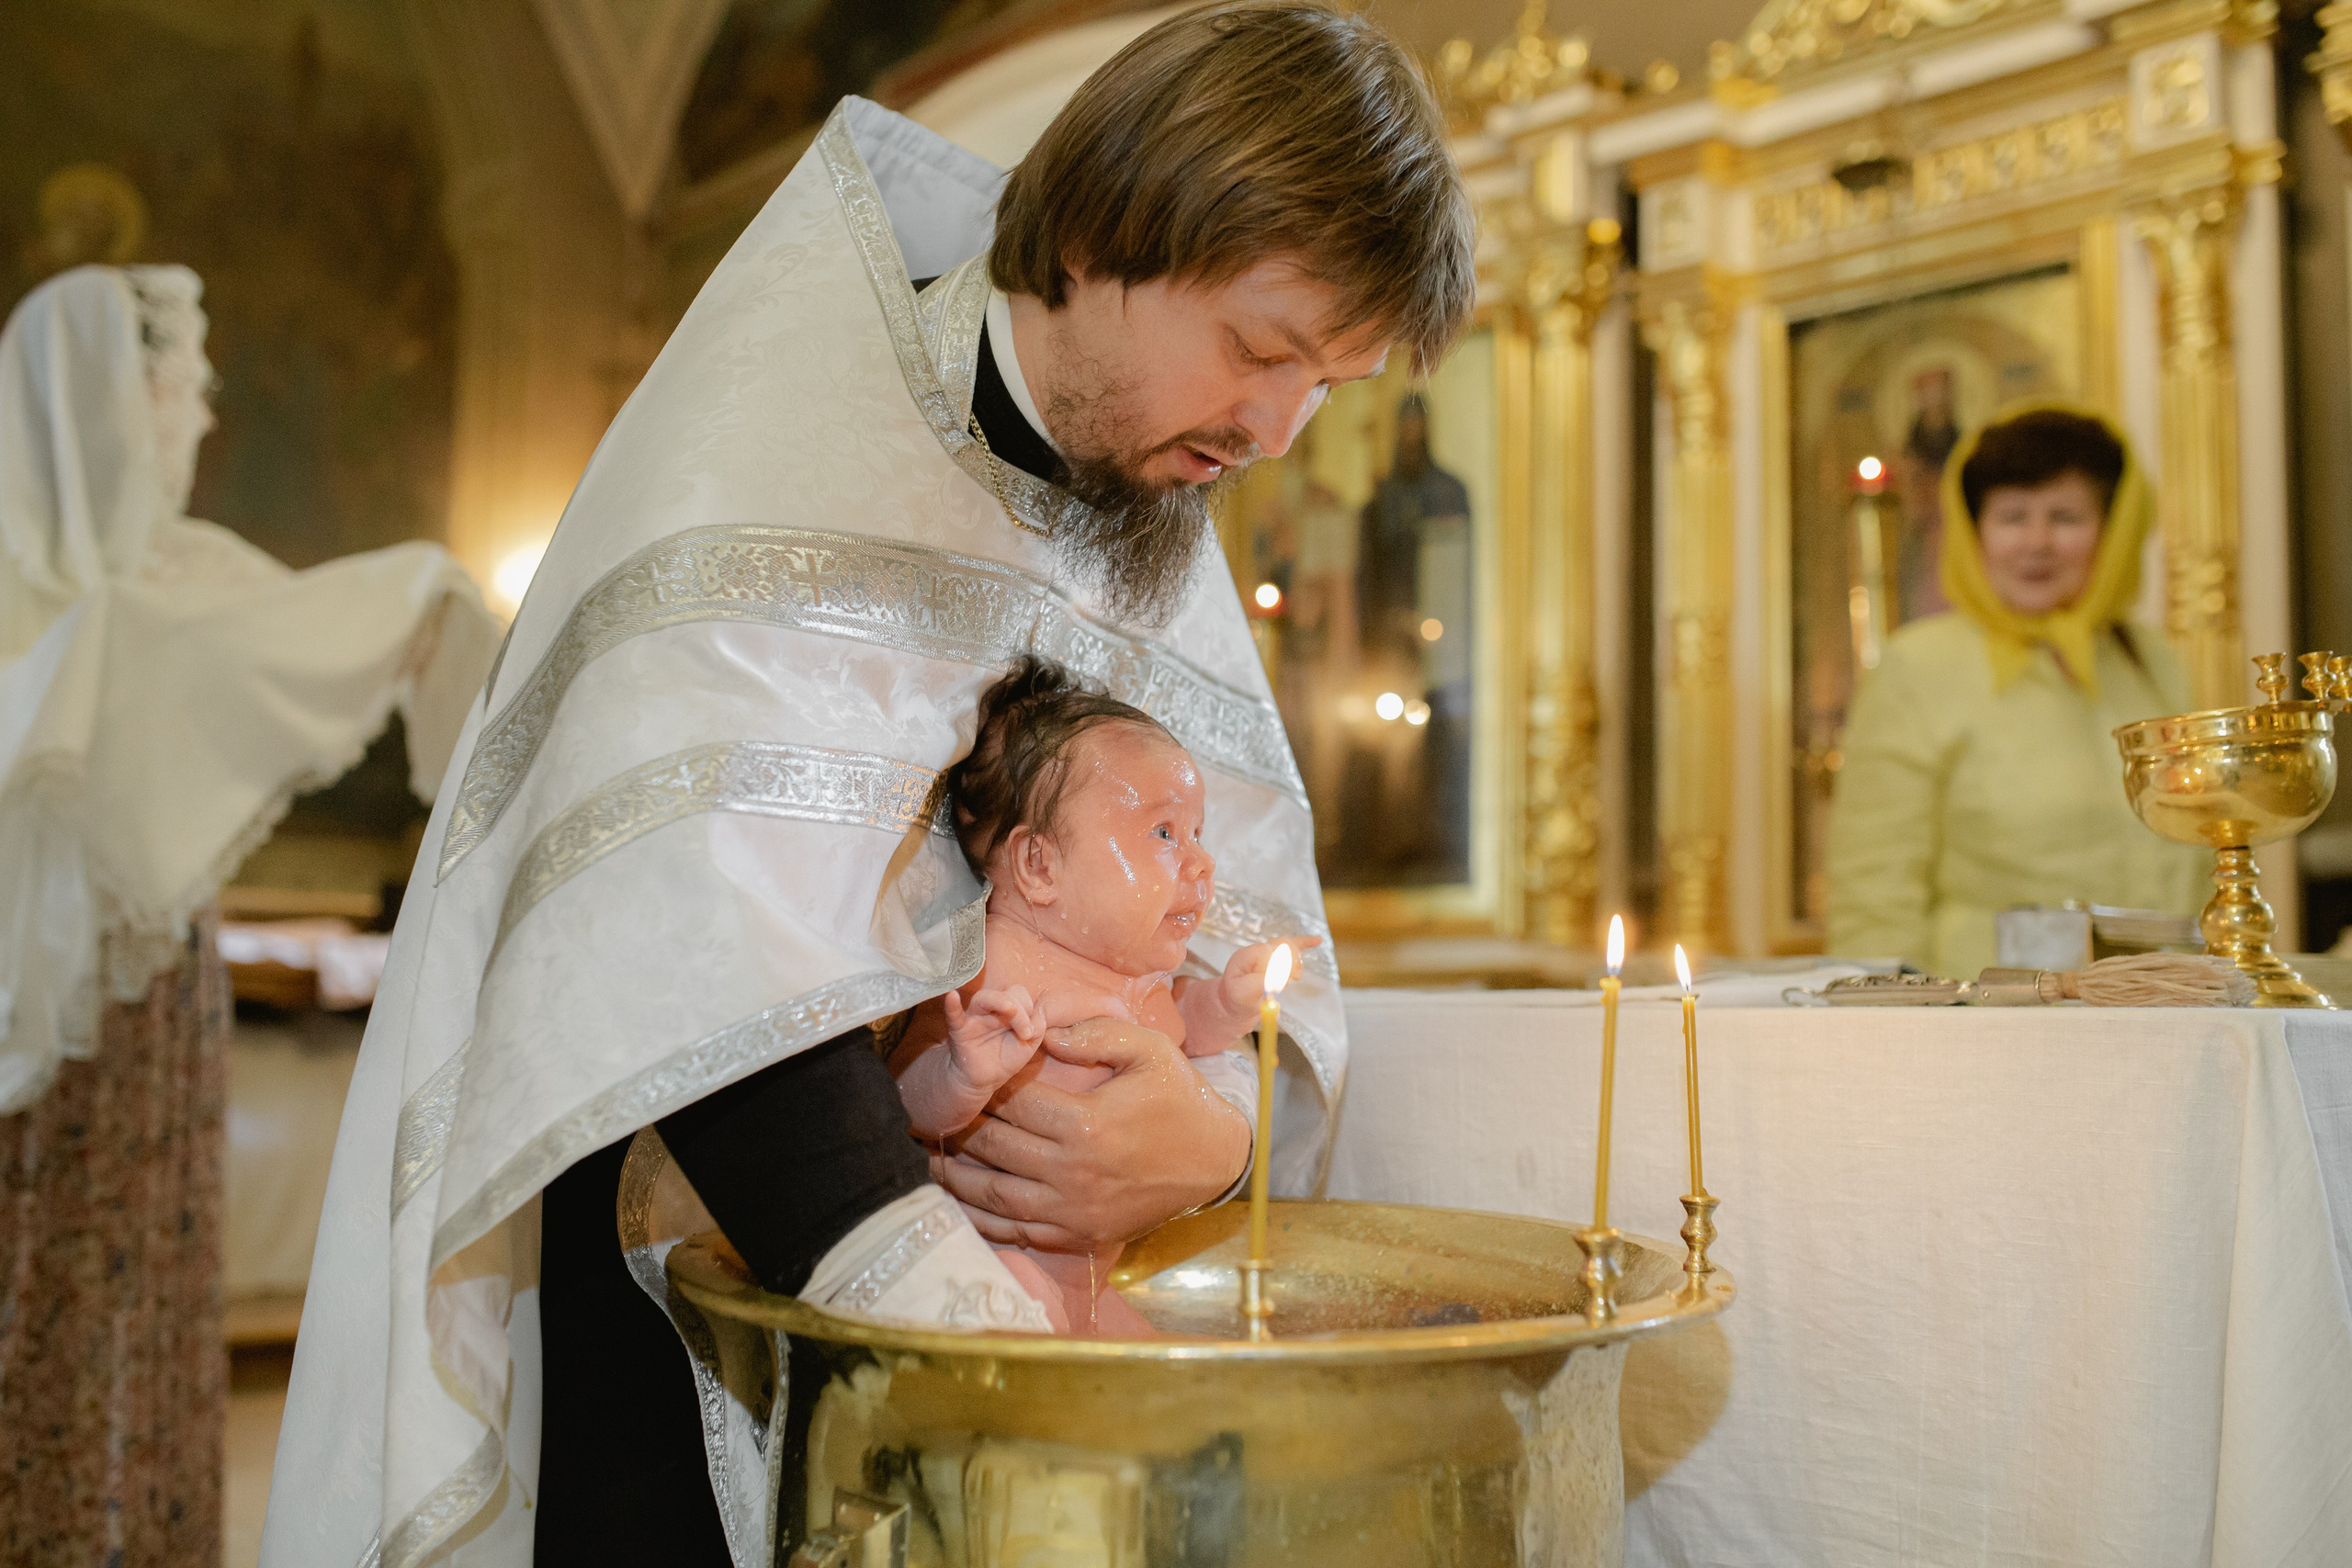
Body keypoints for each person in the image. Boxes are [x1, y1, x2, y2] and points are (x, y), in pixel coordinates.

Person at [262, 7, 1474, 1565]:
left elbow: (1233, 899)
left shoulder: (1149, 501)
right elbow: (696, 905)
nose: (1275, 429)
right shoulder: (782, 444)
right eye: (1259, 349)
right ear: (1107, 229)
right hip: (698, 1259)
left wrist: (1211, 1138)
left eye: (1330, 383)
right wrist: (973, 1343)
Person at [0, 265, 496, 1560]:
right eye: (173, 392)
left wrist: (430, 596)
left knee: (142, 1283)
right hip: (32, 1025)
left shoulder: (177, 571)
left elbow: (309, 635)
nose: (197, 422)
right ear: (99, 402)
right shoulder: (41, 587)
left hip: (155, 996)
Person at [891, 657, 1318, 1334]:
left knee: (1162, 1393)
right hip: (994, 1259)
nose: (1202, 862)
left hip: (1090, 1278)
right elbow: (901, 1102)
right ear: (1039, 864)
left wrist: (1230, 1002)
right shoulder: (994, 964)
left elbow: (1186, 1034)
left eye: (1197, 832)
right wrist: (957, 1075)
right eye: (1163, 833)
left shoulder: (1138, 977)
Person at [1826, 403, 2206, 976]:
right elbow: (1873, 891)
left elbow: (2201, 858)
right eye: (2011, 516)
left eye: (2064, 516)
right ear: (1972, 530)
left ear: (2115, 527)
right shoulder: (1920, 666)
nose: (2036, 543)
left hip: (2165, 1010)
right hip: (1988, 1026)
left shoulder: (2150, 660)